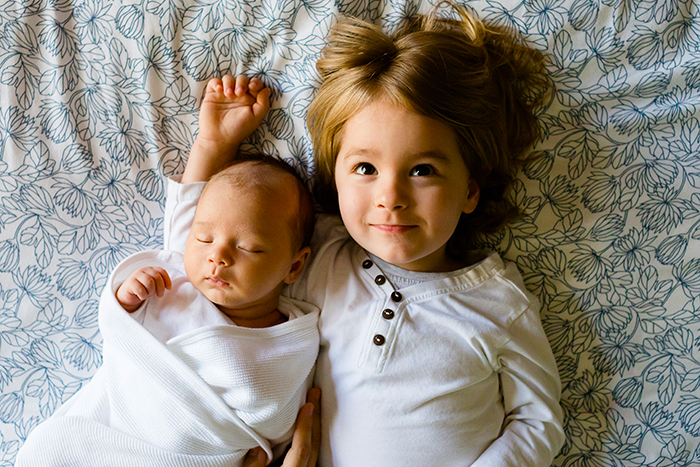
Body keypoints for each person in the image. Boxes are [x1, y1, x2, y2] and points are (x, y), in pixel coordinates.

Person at [166, 3, 566, 466]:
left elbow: (538, 421)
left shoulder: (498, 302)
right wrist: (213, 146)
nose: (390, 196)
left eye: (422, 170)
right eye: (365, 168)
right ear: (335, 181)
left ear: (470, 191)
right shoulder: (316, 260)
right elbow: (195, 258)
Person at [15, 81, 321, 467]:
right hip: (109, 431)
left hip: (184, 453)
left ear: (294, 265)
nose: (218, 256)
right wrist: (214, 141)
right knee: (50, 451)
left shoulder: (291, 341)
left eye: (248, 247)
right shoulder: (177, 275)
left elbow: (273, 420)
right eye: (205, 238)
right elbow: (191, 202)